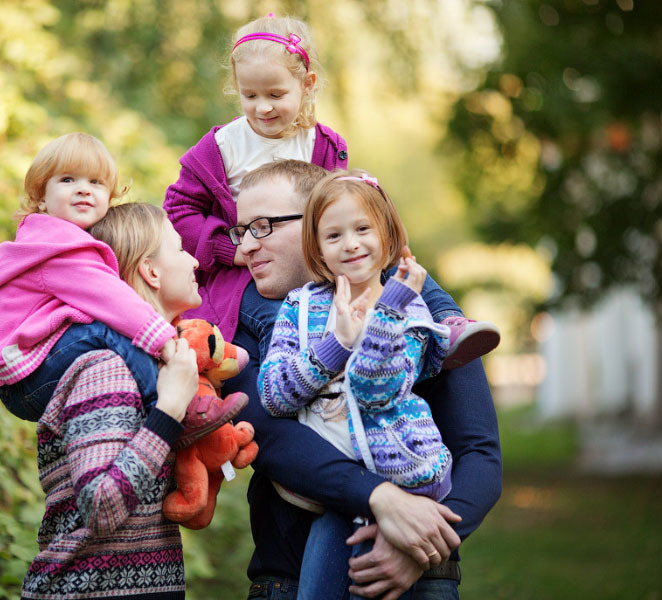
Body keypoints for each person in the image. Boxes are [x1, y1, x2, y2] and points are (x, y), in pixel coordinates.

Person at [220, 160, 502, 600]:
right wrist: (382, 500)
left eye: (262, 226)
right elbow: (272, 435)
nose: (243, 250)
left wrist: (421, 545)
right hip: (286, 580)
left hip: (419, 575)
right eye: (242, 232)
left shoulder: (418, 306)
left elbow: (480, 451)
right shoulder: (244, 322)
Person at [163, 13, 498, 373]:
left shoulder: (324, 144)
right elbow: (179, 209)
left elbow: (341, 208)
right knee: (283, 318)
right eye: (250, 95)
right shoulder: (222, 145)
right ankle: (299, 378)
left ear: (307, 84)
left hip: (318, 259)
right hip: (253, 267)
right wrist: (231, 250)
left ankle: (447, 320)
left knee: (391, 257)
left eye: (276, 94)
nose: (262, 107)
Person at [259, 170, 456, 600]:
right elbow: (273, 395)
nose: (350, 244)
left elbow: (374, 392)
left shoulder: (413, 310)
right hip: (333, 488)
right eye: (333, 235)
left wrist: (386, 314)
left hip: (401, 474)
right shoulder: (302, 306)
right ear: (317, 248)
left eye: (362, 229)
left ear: (387, 234)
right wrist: (336, 345)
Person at [0, 132, 242, 445]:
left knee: (107, 331)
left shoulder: (60, 242)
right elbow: (113, 300)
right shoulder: (54, 246)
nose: (84, 189)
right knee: (108, 331)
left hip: (30, 370)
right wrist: (165, 342)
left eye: (96, 182)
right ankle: (174, 410)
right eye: (68, 180)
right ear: (41, 198)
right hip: (26, 374)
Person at [21, 203, 202, 599]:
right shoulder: (105, 368)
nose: (196, 259)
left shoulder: (151, 369)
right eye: (180, 249)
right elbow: (101, 507)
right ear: (151, 271)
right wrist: (169, 410)